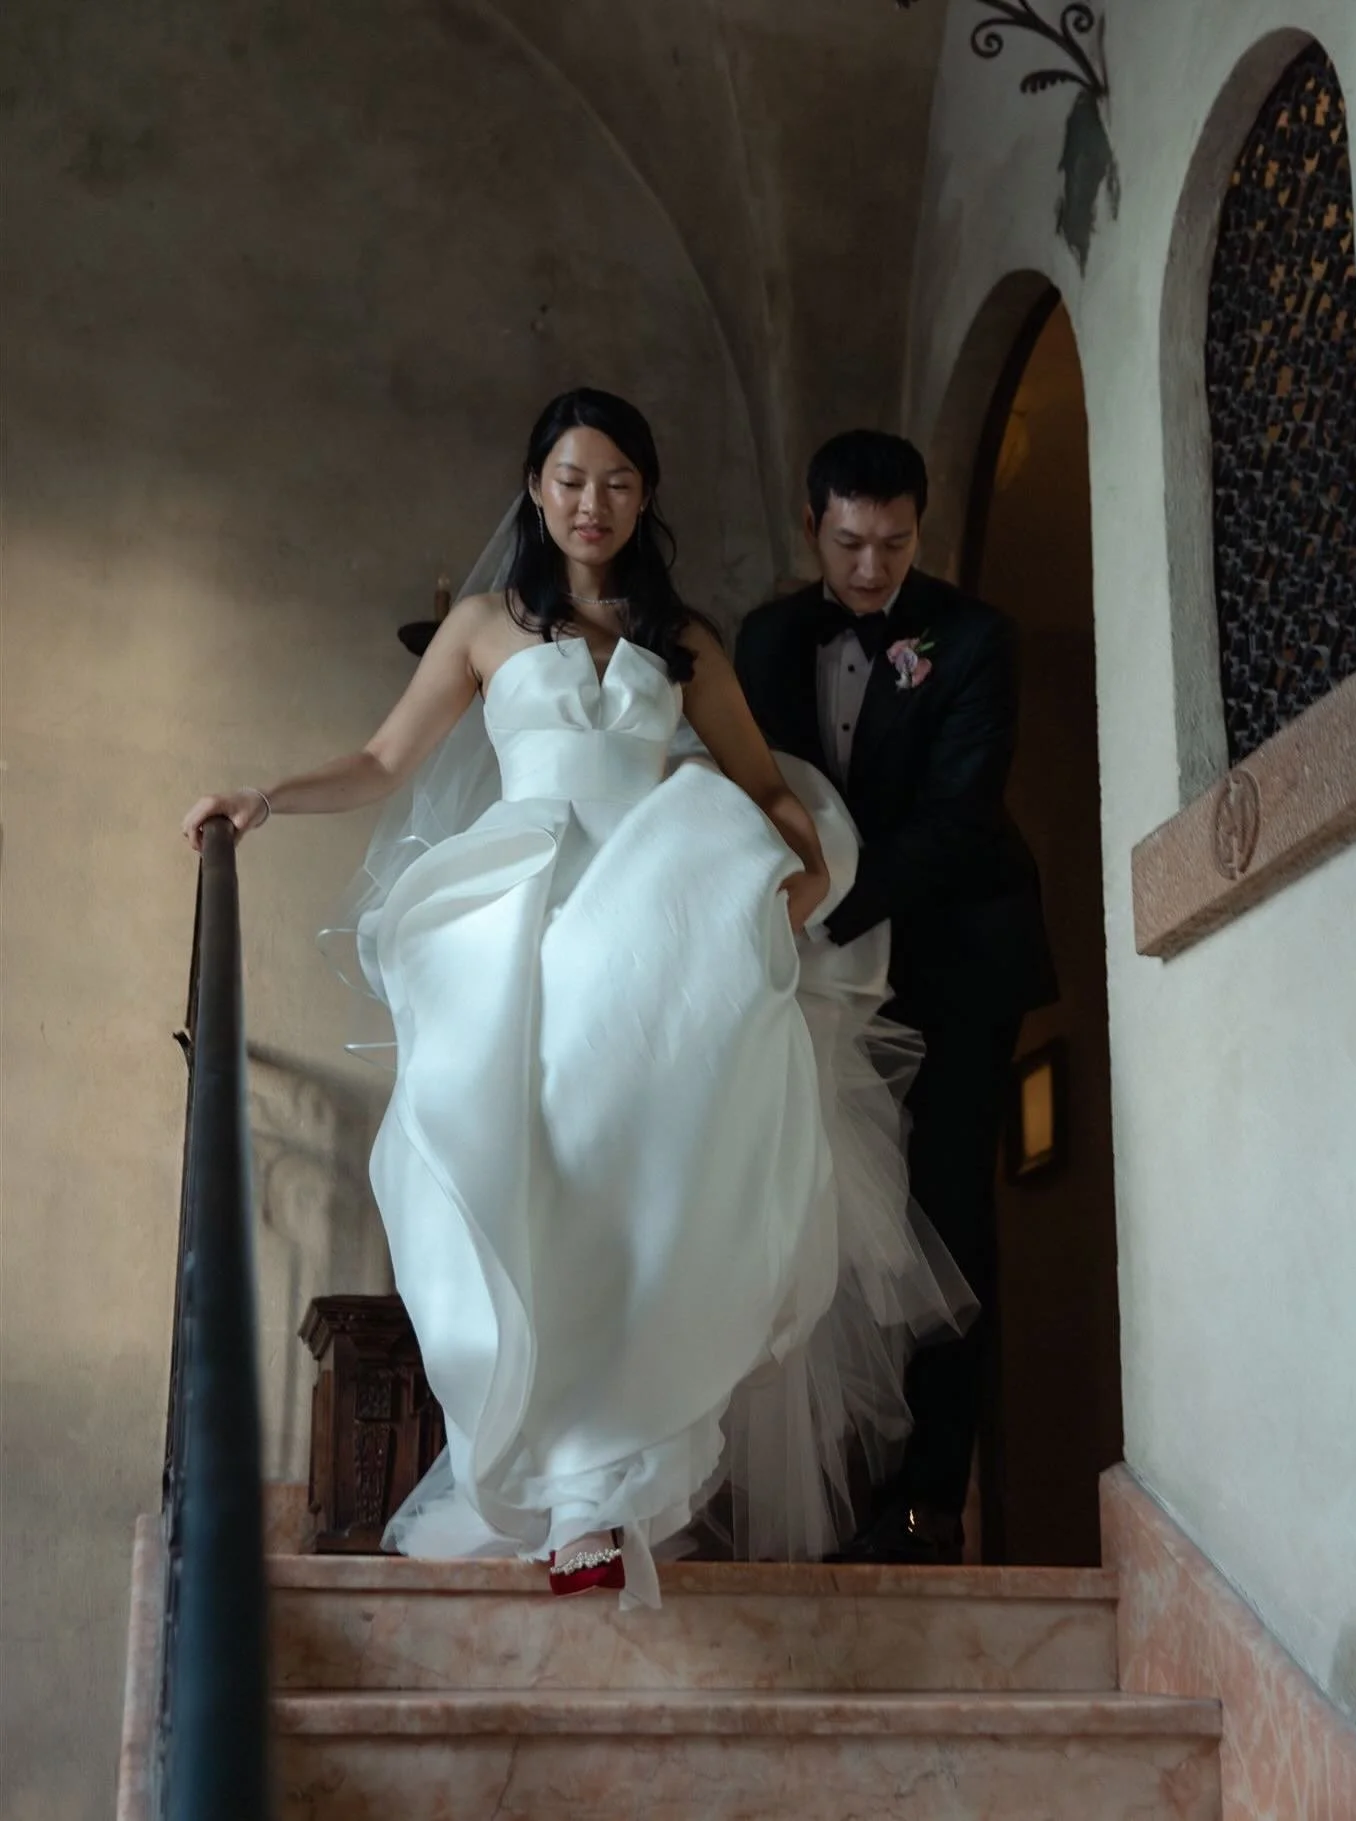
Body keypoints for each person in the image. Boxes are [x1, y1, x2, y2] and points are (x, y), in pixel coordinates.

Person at [183, 389, 970, 1607]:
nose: (588, 502)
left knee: (641, 1182)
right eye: (566, 478)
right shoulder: (484, 627)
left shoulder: (687, 641)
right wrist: (266, 796)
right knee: (508, 1163)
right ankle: (555, 1477)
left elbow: (765, 789)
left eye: (612, 480)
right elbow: (385, 760)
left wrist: (801, 883)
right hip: (528, 917)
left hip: (652, 927)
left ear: (642, 493)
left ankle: (599, 1498)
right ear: (536, 489)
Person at [735, 429, 1057, 1565]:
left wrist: (825, 905)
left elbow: (960, 818)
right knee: (822, 1213)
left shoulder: (974, 640)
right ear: (810, 525)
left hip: (955, 958)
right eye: (849, 542)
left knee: (944, 1217)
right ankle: (827, 1480)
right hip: (817, 976)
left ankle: (928, 1501)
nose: (871, 568)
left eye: (895, 543)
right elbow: (749, 789)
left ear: (920, 528)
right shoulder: (767, 638)